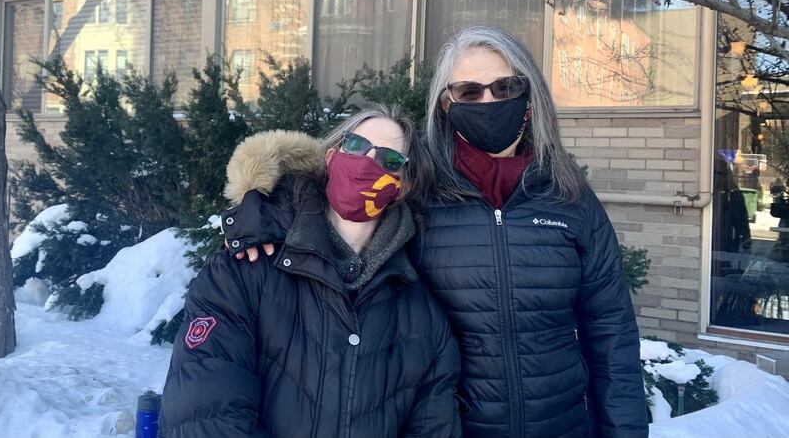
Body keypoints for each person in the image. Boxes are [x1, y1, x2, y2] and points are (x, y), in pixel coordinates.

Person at [227, 25, 649, 437]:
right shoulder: (418, 188)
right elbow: (330, 206)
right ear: (446, 104)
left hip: (563, 426)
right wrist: (259, 216)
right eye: (469, 91)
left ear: (529, 95)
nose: (488, 100)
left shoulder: (569, 195)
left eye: (505, 87)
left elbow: (611, 331)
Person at [160, 106, 462, 438]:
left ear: (402, 185)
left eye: (389, 160)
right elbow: (203, 414)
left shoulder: (423, 318)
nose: (367, 163)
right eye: (357, 147)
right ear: (332, 156)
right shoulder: (244, 269)